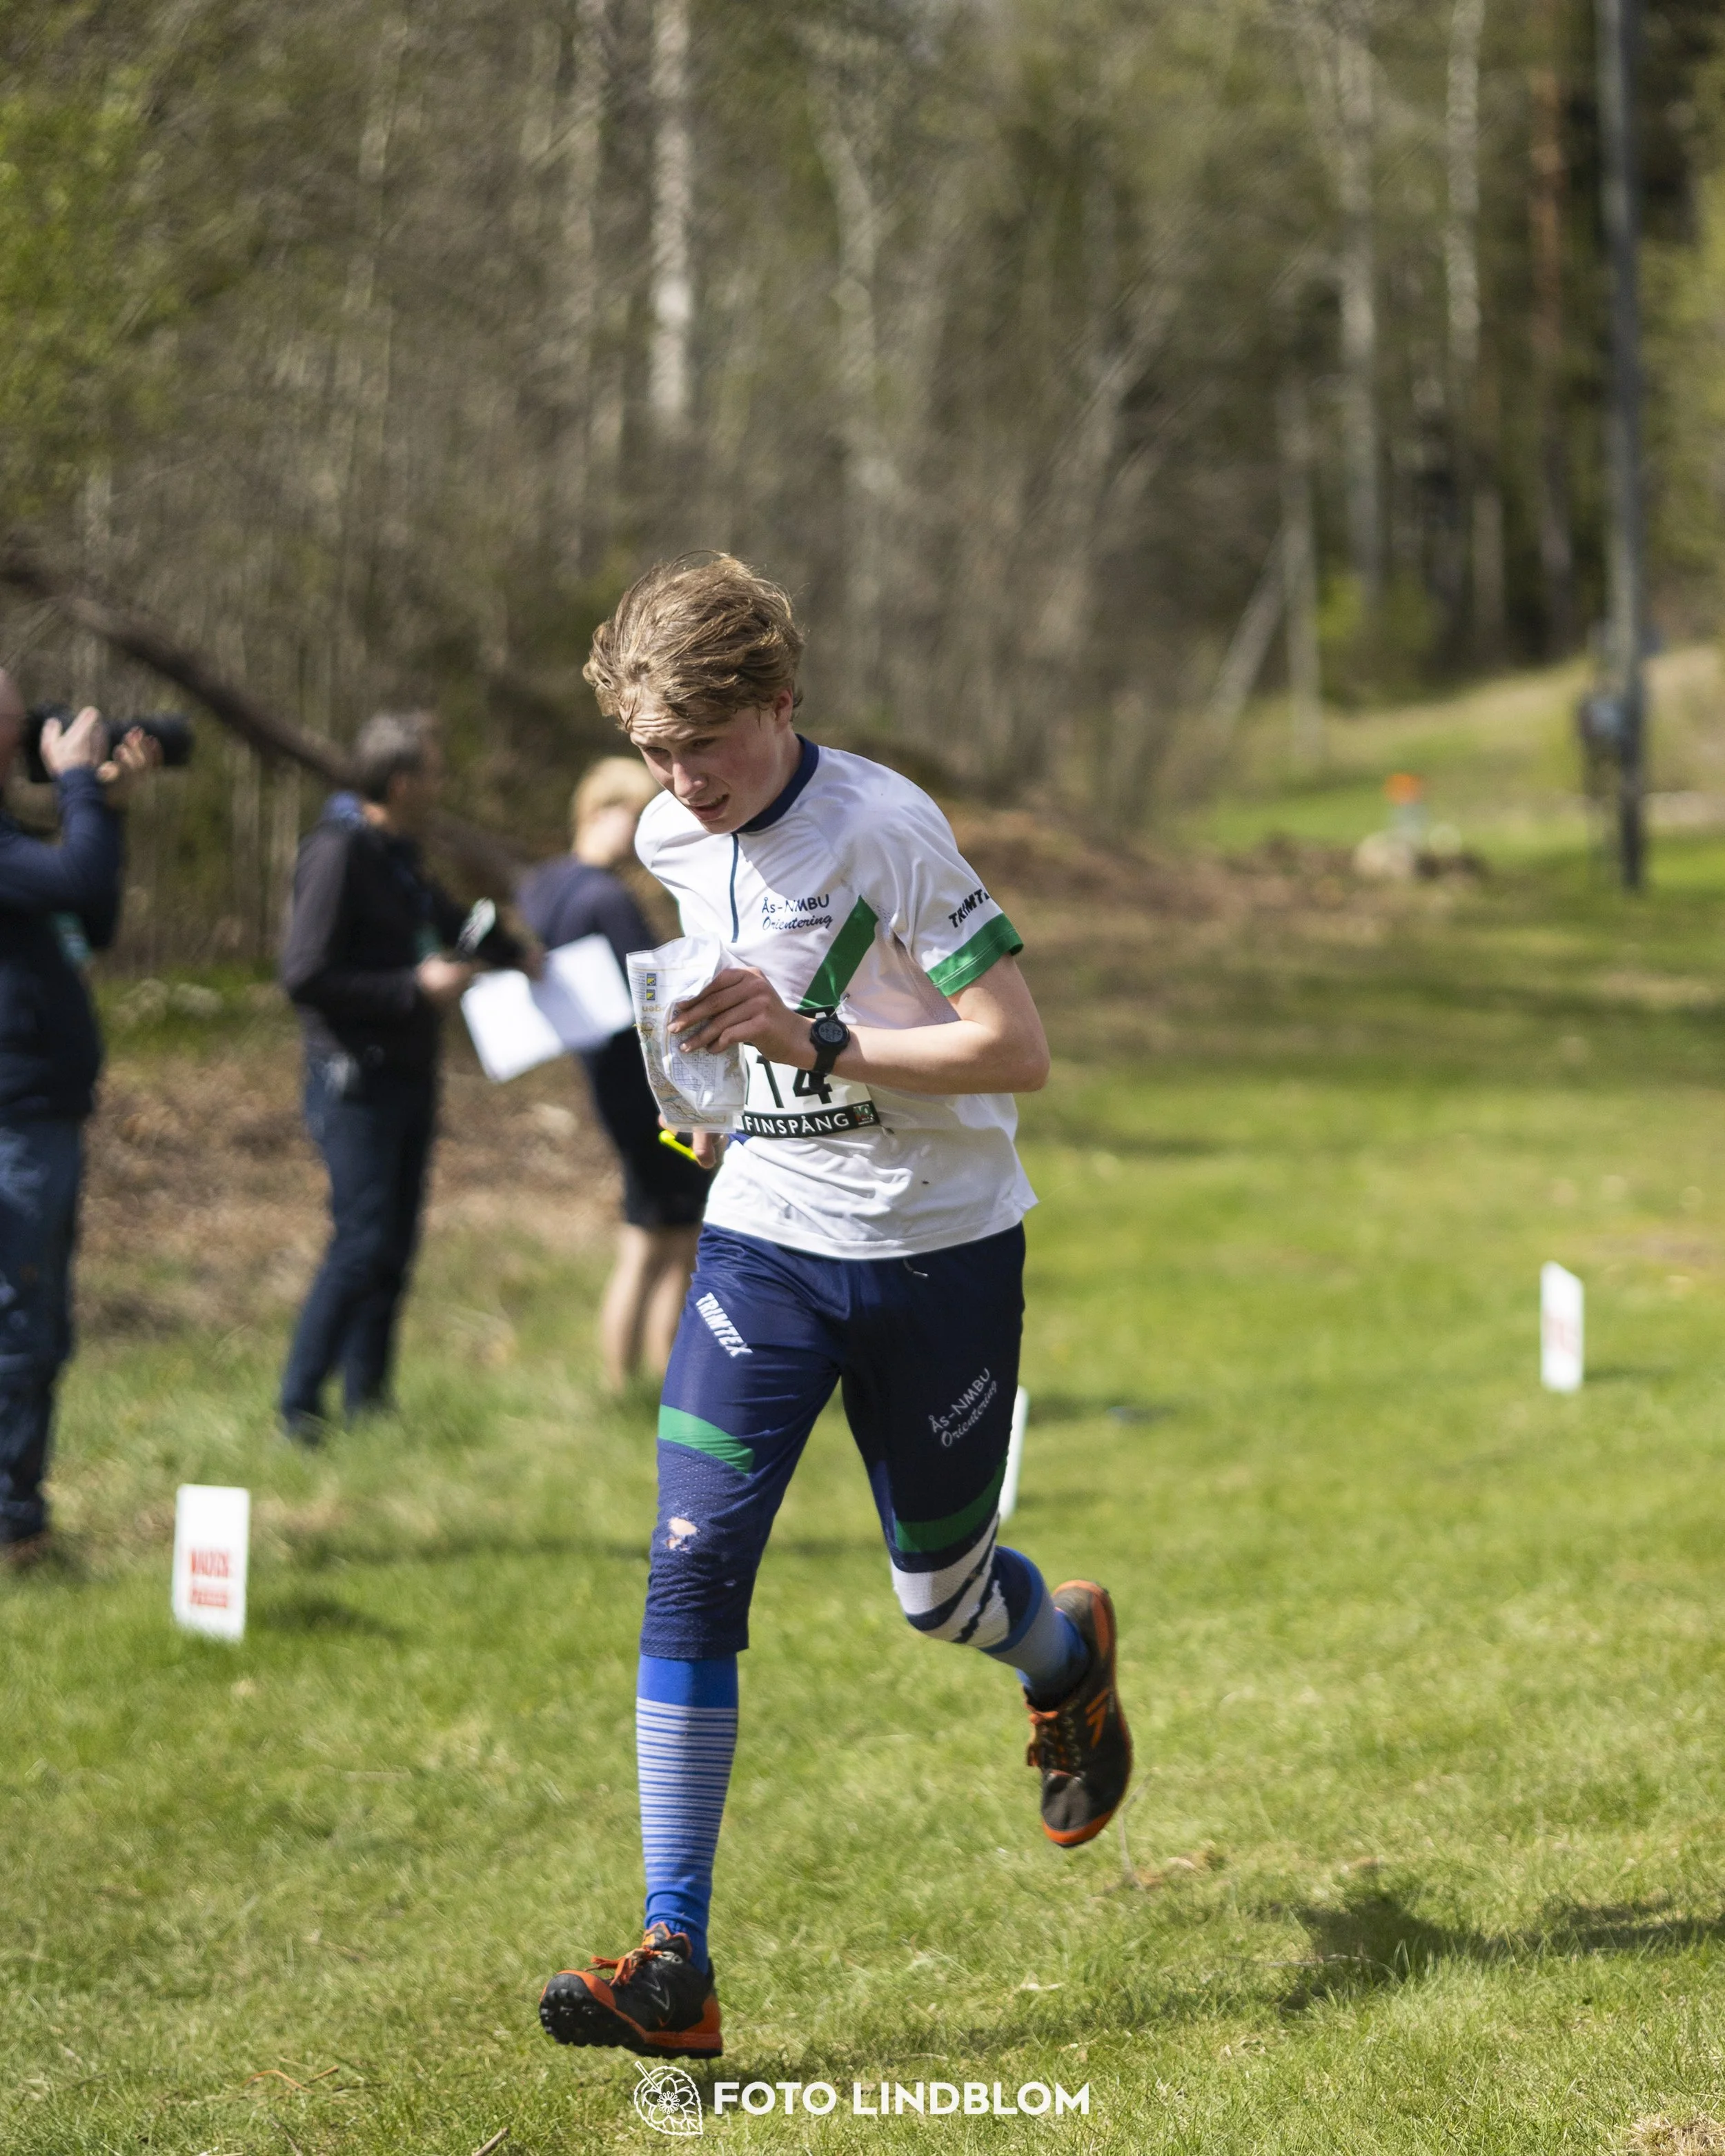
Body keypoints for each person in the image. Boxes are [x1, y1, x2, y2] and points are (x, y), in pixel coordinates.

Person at [538, 556, 1132, 2059]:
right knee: (687, 1566)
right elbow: (744, 1001)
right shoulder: (677, 827)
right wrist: (713, 1100)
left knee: (937, 1596)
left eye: (707, 745)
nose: (680, 782)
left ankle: (1060, 1657)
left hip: (937, 1249)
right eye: (656, 751)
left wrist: (813, 1040)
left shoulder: (886, 826)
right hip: (766, 1248)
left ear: (781, 704)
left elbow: (1013, 1049)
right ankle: (675, 1958)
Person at [279, 711, 529, 1441]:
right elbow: (305, 974)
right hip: (353, 1078)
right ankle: (298, 1406)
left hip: (409, 1074)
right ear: (401, 780)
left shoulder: (396, 853)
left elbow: (454, 922)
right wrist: (411, 989)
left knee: (392, 1245)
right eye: (435, 770)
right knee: (359, 1241)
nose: (442, 783)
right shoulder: (337, 853)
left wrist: (520, 954)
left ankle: (369, 1402)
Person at [0, 678, 161, 1570]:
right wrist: (74, 787)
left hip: (40, 1116)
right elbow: (78, 874)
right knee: (19, 1320)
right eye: (19, 723)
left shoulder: (14, 843)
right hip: (13, 1123)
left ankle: (21, 1516)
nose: (31, 734)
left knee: (39, 1320)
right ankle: (11, 1525)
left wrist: (110, 806)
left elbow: (90, 915)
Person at [515, 758, 712, 1392]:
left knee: (648, 1230)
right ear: (603, 812)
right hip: (646, 1083)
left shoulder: (546, 884)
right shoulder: (607, 897)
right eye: (640, 814)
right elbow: (660, 991)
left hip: (604, 1078)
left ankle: (630, 1381)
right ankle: (655, 1379)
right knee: (670, 1237)